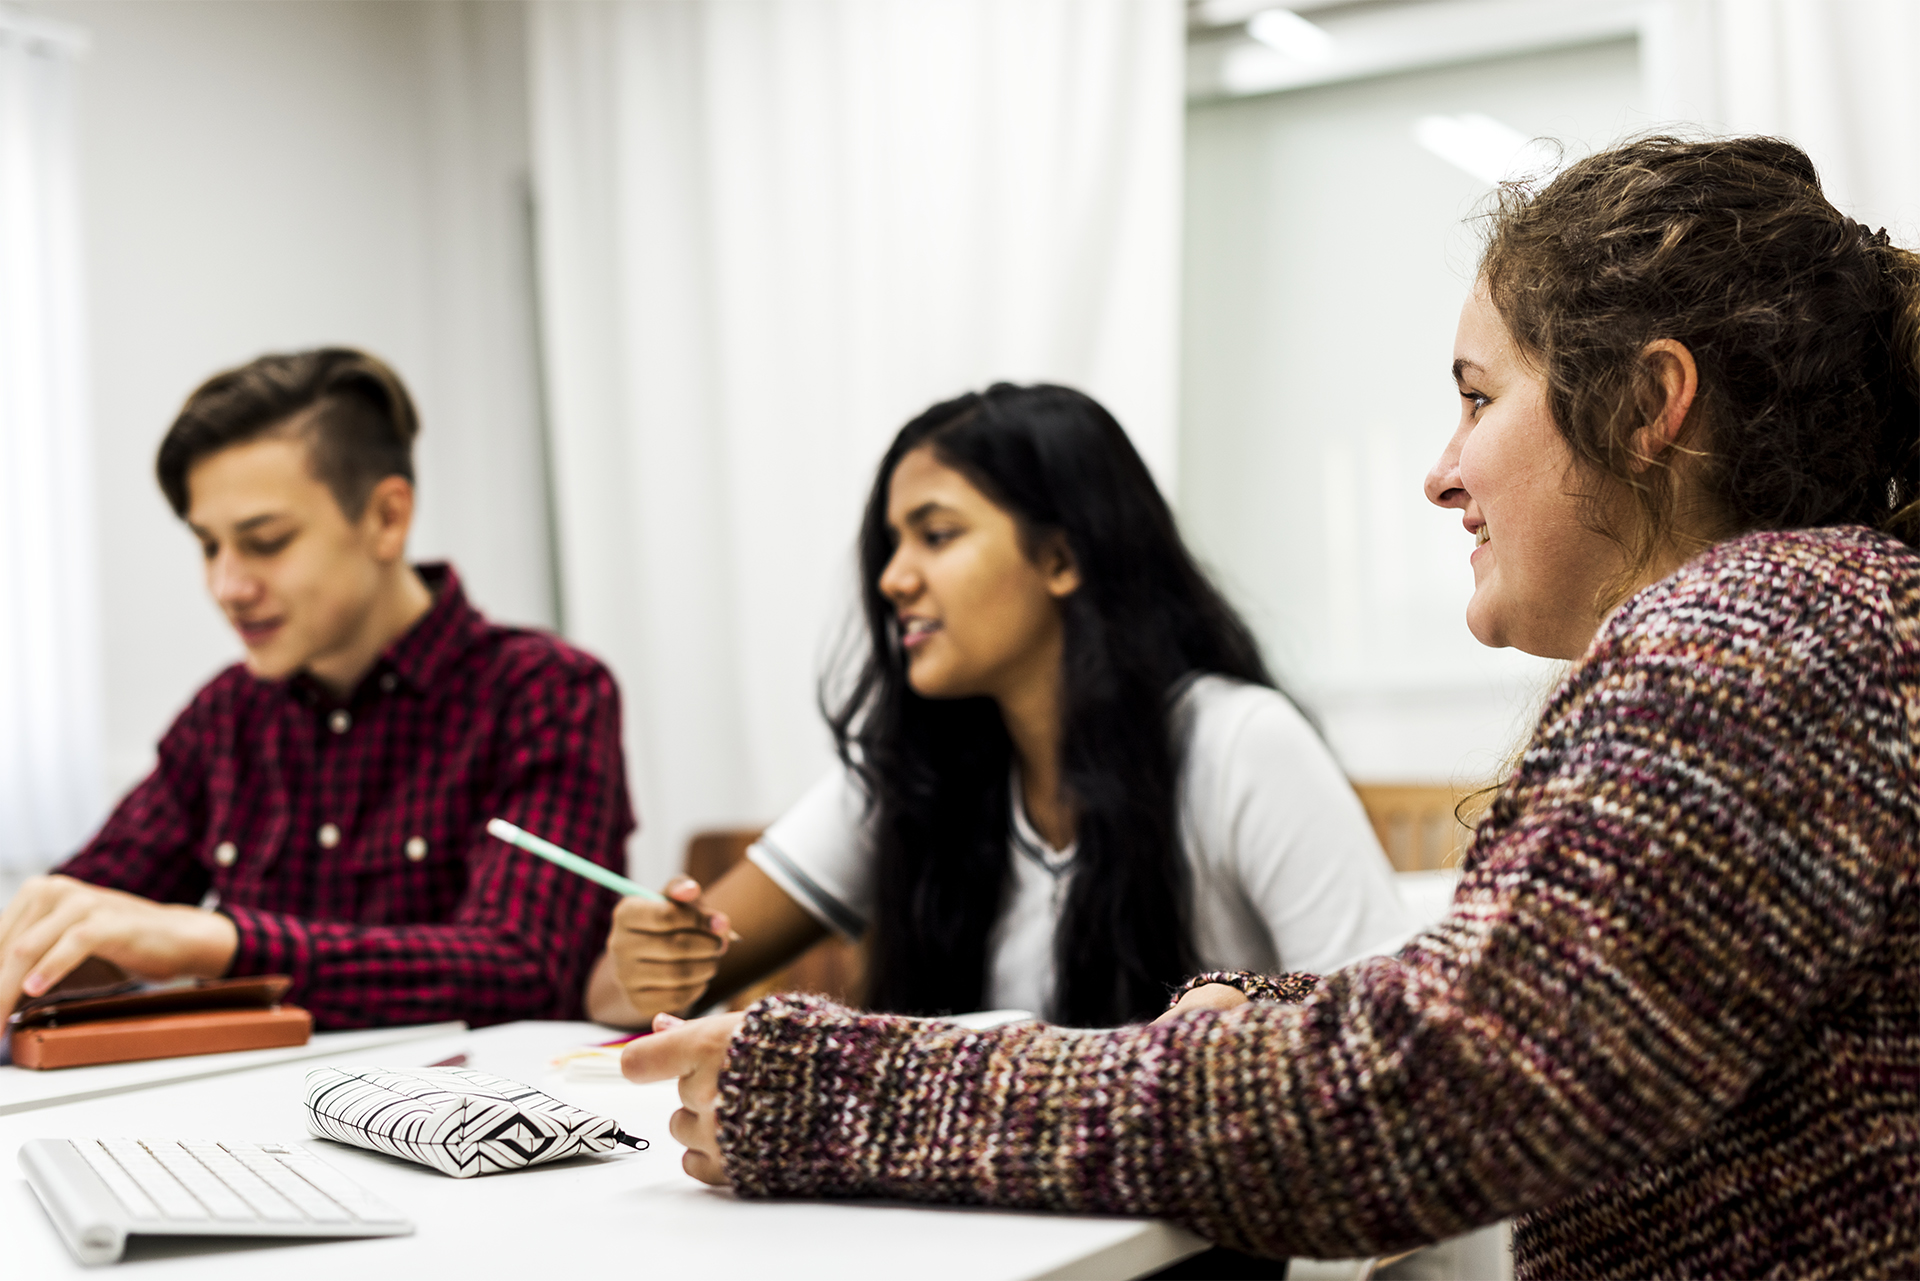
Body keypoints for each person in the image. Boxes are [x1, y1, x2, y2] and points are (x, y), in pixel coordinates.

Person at [625, 137, 1920, 1279]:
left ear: (1648, 405)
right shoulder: (1819, 625)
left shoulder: (1756, 635)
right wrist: (1289, 1019)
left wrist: (844, 1089)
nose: (1440, 469)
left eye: (1477, 396)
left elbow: (1442, 1100)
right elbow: (1521, 1027)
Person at [586, 383, 1410, 1029]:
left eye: (936, 535)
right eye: (892, 543)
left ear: (1060, 556)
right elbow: (615, 995)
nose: (892, 578)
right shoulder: (914, 771)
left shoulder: (1239, 744)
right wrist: (652, 960)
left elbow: (1392, 1030)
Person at [0, 349, 635, 1030]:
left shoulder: (545, 691)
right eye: (208, 545)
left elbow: (526, 969)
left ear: (387, 518)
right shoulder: (225, 716)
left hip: (468, 1123)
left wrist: (222, 942)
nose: (226, 586)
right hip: (249, 1122)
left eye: (265, 540)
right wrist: (45, 944)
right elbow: (88, 908)